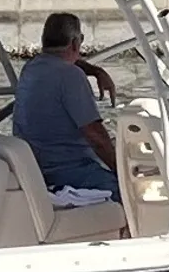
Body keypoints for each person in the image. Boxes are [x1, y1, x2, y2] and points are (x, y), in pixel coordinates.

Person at [13, 12, 121, 199]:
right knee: (132, 191)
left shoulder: (32, 67)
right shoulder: (71, 76)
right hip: (67, 171)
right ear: (75, 43)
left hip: (36, 166)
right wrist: (121, 170)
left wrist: (95, 71)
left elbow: (63, 58)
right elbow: (95, 135)